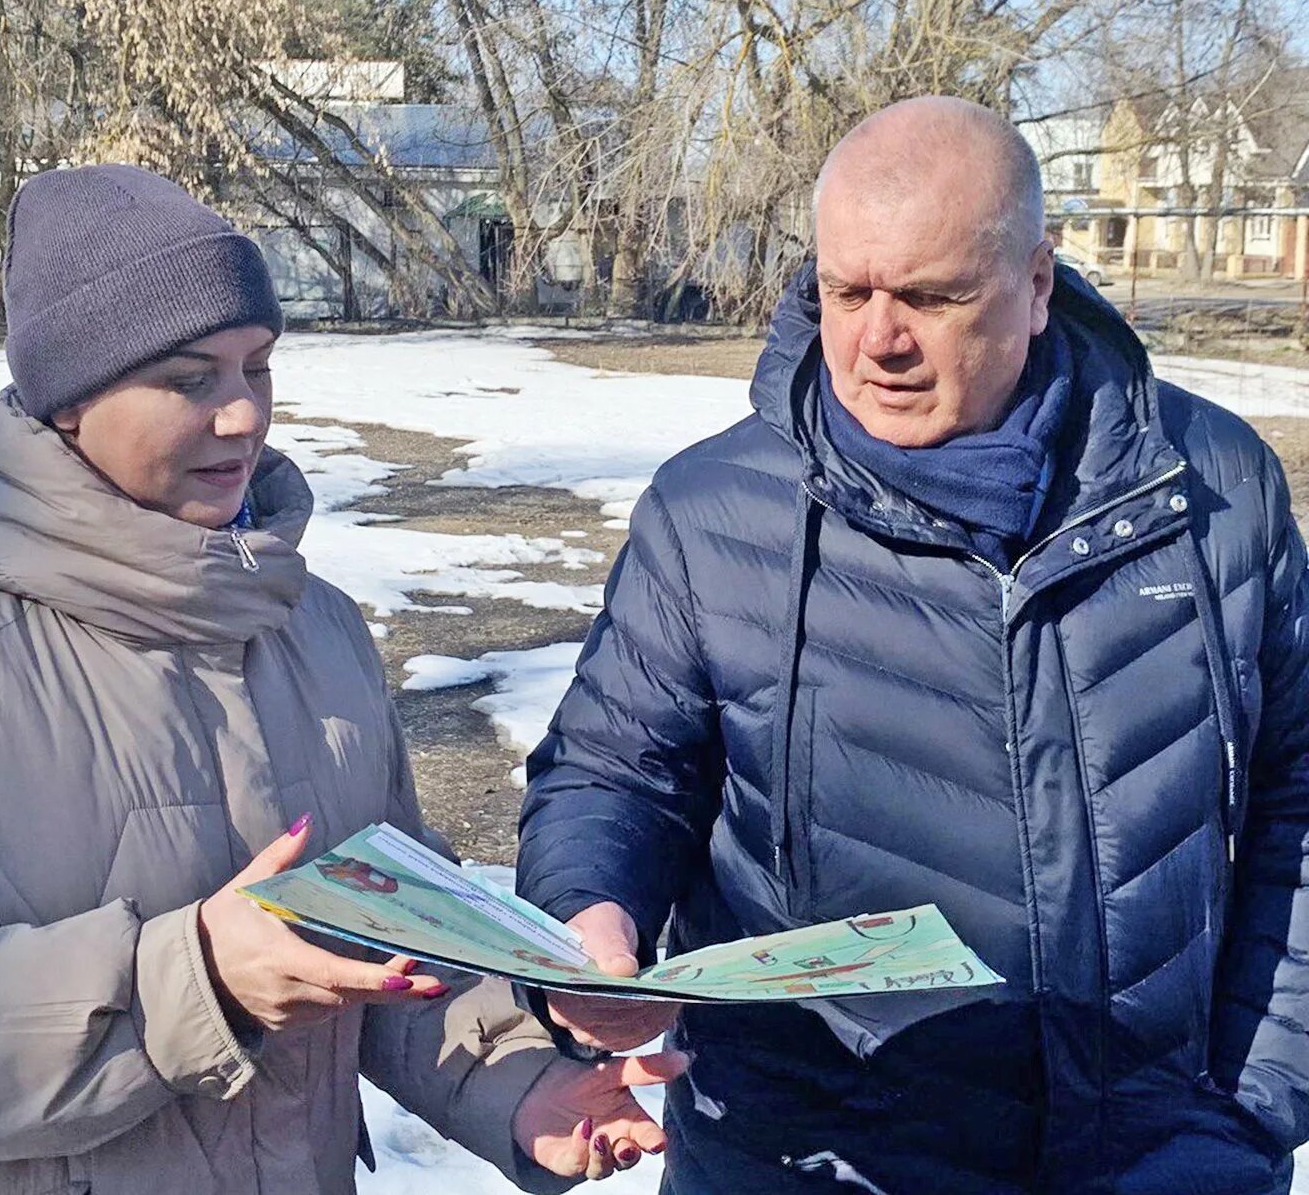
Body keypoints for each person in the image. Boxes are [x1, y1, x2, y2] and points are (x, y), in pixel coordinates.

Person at [0, 163, 684, 1195]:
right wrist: (199, 980)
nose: (241, 418)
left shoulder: (310, 626)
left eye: (256, 367)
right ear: (68, 401)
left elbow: (391, 932)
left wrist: (519, 1083)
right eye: (188, 379)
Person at [516, 96, 1309, 1194]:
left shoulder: (1212, 489)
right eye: (845, 291)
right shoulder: (713, 511)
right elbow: (611, 774)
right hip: (805, 1161)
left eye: (932, 297)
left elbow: (1294, 806)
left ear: (1036, 286)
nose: (877, 340)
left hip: (1159, 1155)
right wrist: (585, 925)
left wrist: (1245, 1113)